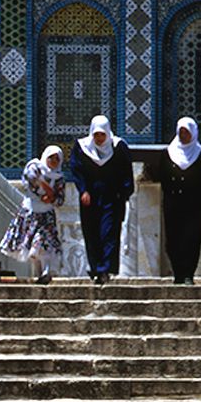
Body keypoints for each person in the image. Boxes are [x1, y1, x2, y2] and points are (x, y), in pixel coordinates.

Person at [68, 114, 134, 284]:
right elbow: (76, 170)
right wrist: (83, 190)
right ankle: (96, 267)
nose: (98, 138)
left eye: (102, 135)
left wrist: (124, 193)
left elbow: (126, 171)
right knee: (91, 233)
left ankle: (105, 269)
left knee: (109, 232)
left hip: (112, 198)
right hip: (89, 198)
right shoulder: (82, 148)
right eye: (96, 134)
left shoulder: (118, 147)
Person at [150, 115, 201, 285]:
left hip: (193, 205)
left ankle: (188, 274)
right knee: (173, 240)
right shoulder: (168, 154)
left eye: (187, 132)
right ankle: (178, 272)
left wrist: (200, 200)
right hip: (173, 203)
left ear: (193, 133)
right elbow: (163, 176)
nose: (184, 135)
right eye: (181, 132)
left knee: (191, 239)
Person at [0, 144, 66, 283]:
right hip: (30, 213)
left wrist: (52, 197)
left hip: (46, 214)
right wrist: (47, 191)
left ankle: (46, 271)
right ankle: (40, 273)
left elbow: (60, 199)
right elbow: (31, 181)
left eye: (57, 159)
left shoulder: (59, 177)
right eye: (51, 157)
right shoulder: (34, 166)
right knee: (33, 248)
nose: (53, 161)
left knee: (43, 243)